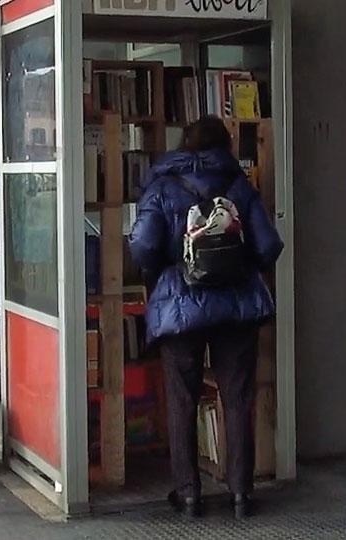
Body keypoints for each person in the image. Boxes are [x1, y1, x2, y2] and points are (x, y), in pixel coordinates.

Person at [129, 116, 284, 519]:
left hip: (181, 307)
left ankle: (189, 493)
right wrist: (240, 263)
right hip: (237, 306)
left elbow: (144, 247)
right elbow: (269, 246)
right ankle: (239, 493)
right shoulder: (240, 187)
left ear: (185, 145)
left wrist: (171, 266)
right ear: (225, 146)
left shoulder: (162, 187)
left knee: (181, 399)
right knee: (237, 398)